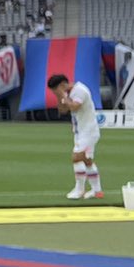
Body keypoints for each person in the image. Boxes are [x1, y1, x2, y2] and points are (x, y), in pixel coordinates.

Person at [49, 72, 103, 200]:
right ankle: (97, 191)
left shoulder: (79, 90)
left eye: (55, 90)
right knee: (87, 160)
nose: (55, 93)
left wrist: (63, 95)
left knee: (76, 158)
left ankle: (79, 190)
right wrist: (60, 97)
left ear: (62, 85)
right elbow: (62, 110)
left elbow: (74, 107)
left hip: (88, 131)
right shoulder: (68, 93)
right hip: (80, 132)